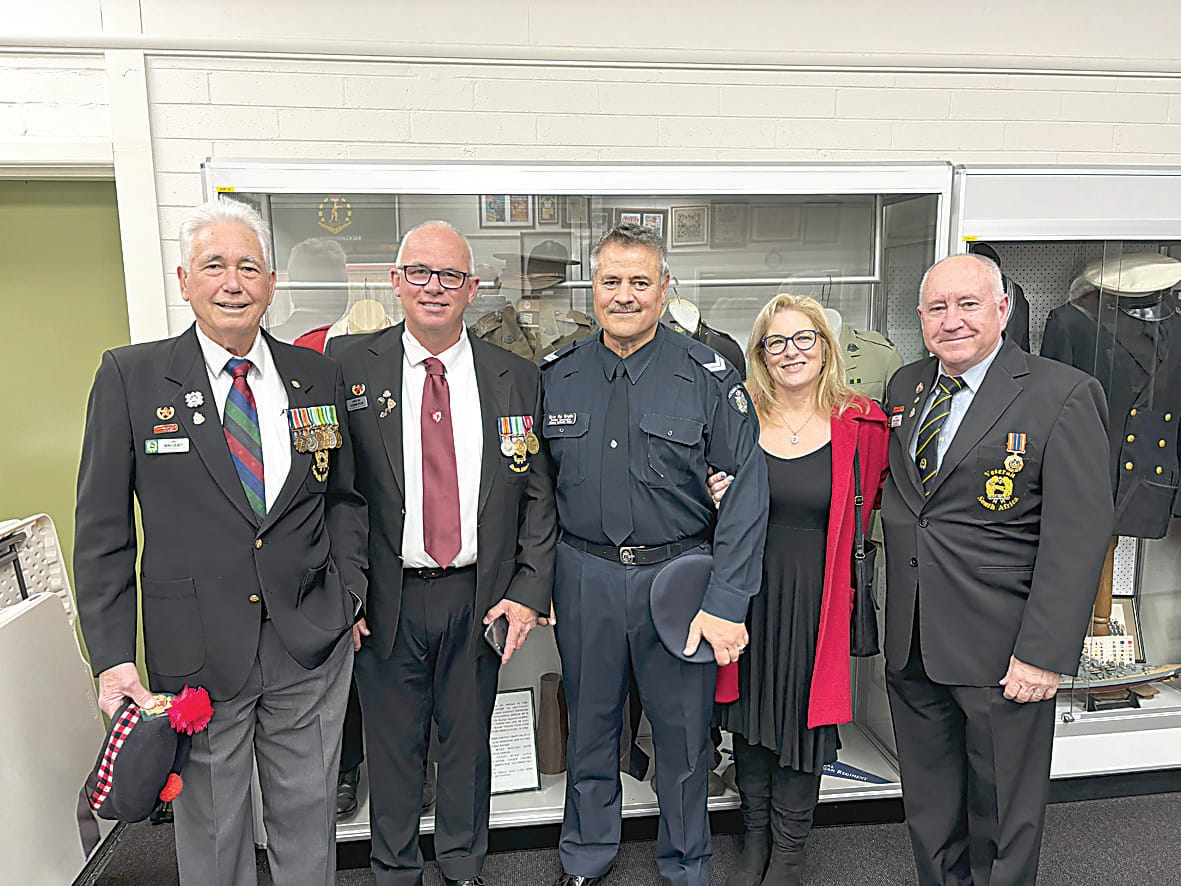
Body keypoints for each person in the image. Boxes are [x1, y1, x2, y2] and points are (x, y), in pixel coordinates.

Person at [73, 199, 367, 886]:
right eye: (213, 266)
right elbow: (103, 531)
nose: (232, 282)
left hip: (307, 640)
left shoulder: (315, 376)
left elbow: (345, 498)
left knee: (309, 817)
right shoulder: (132, 378)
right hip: (196, 652)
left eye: (248, 267)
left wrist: (349, 593)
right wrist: (112, 659)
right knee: (210, 831)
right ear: (184, 281)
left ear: (271, 283)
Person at [328, 221, 555, 886]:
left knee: (467, 747)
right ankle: (395, 871)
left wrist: (528, 591)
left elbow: (538, 496)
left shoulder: (516, 376)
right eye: (419, 273)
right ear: (395, 282)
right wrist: (345, 593)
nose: (434, 287)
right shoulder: (347, 368)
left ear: (472, 288)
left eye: (450, 275)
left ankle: (462, 867)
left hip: (477, 595)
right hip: (385, 597)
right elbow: (332, 493)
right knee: (391, 749)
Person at [542, 223, 769, 886]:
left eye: (639, 282)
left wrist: (727, 601)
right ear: (592, 287)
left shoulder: (706, 375)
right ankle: (586, 855)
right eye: (611, 280)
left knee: (683, 739)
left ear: (664, 288)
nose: (624, 295)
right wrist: (535, 585)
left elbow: (746, 493)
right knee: (591, 729)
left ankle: (686, 862)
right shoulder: (556, 375)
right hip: (583, 578)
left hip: (678, 582)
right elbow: (534, 490)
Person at [880, 254, 1113, 885]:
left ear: (1003, 309)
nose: (951, 320)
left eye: (968, 304)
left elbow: (1078, 535)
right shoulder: (906, 387)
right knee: (929, 808)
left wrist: (1043, 653)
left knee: (1003, 814)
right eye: (937, 307)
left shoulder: (1061, 394)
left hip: (1004, 649)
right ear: (920, 317)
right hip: (915, 641)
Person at [708, 294, 889, 886]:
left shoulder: (861, 423)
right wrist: (712, 497)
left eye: (804, 338)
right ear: (761, 353)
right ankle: (755, 838)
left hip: (818, 597)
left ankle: (788, 852)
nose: (791, 352)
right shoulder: (737, 417)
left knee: (803, 724)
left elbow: (877, 504)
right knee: (750, 717)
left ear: (825, 347)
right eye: (776, 342)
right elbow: (699, 499)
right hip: (748, 594)